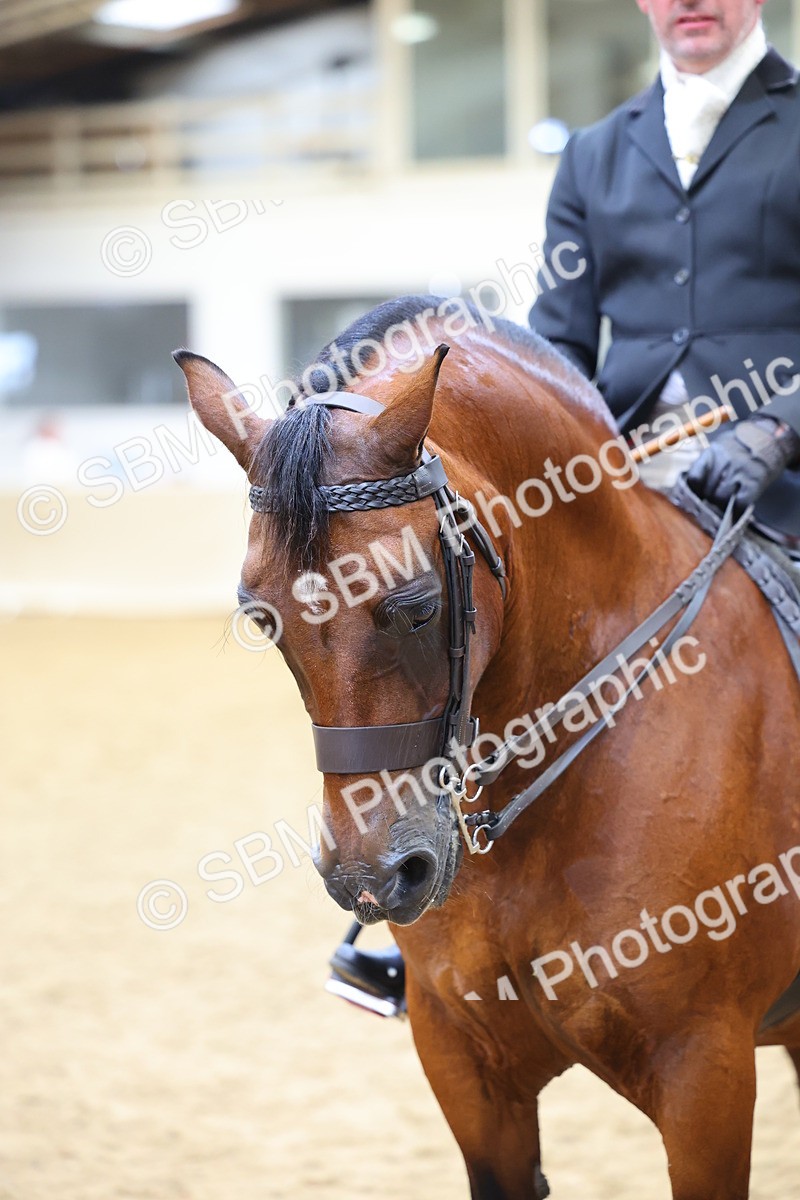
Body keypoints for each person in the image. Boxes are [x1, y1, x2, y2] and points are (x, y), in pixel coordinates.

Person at [329, 0, 800, 1013]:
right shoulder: (596, 150)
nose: (690, 2)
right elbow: (555, 344)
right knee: (471, 637)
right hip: (625, 467)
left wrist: (771, 430)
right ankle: (416, 917)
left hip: (781, 468)